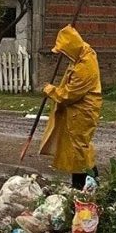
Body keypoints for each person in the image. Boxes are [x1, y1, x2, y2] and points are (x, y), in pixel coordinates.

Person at [39, 26, 103, 190]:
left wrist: (50, 90)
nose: (63, 55)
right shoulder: (83, 53)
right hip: (79, 110)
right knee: (79, 147)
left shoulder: (84, 66)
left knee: (78, 148)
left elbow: (69, 95)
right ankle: (87, 182)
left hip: (82, 111)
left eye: (64, 51)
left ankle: (83, 184)